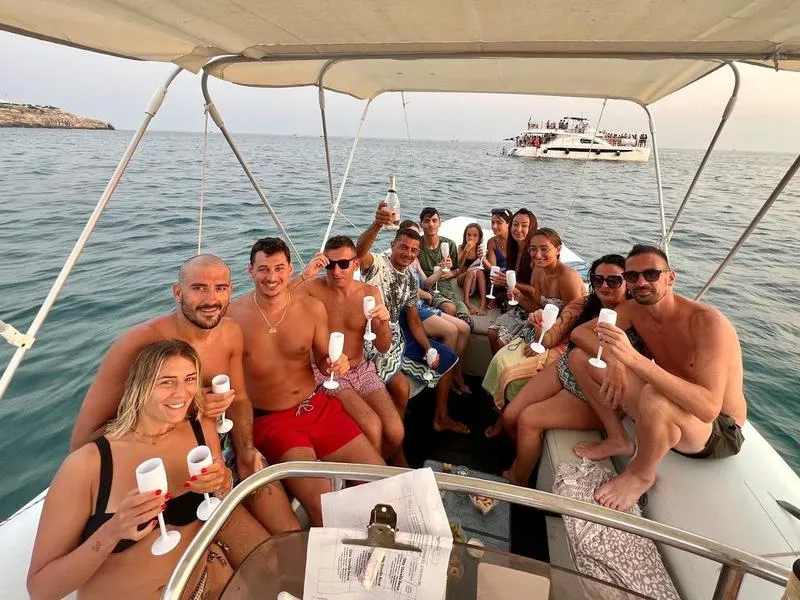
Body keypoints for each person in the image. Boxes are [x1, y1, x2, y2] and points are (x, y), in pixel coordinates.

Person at [70, 254, 299, 535]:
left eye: (220, 288)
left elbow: (238, 399)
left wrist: (245, 452)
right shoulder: (139, 343)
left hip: (216, 459)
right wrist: (189, 406)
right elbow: (85, 440)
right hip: (158, 473)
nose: (211, 300)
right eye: (199, 288)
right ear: (178, 292)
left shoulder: (230, 333)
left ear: (230, 290)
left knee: (289, 530)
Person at [28, 339, 267, 600]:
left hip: (205, 582)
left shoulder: (200, 428)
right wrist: (113, 531)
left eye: (189, 379)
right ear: (140, 386)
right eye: (166, 382)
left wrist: (221, 482)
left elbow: (220, 492)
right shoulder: (88, 465)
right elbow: (41, 590)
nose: (181, 393)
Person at [569, 244, 747, 511]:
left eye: (651, 274)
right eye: (632, 276)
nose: (641, 282)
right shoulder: (634, 310)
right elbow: (580, 334)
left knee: (654, 394)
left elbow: (708, 408)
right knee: (579, 359)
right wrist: (615, 360)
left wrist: (632, 359)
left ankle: (641, 474)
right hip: (666, 406)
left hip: (716, 429)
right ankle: (618, 438)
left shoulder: (708, 323)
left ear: (670, 277)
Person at [228, 237, 384, 525]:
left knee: (379, 478)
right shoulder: (233, 317)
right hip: (272, 420)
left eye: (279, 268)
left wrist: (336, 362)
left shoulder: (312, 308)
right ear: (250, 271)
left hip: (317, 405)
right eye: (263, 269)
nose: (271, 277)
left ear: (290, 270)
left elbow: (324, 360)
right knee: (322, 502)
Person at [500, 255, 636, 485]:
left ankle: (519, 479)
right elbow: (551, 339)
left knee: (528, 419)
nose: (604, 285)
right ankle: (524, 457)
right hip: (566, 367)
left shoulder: (636, 316)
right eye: (598, 280)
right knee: (510, 415)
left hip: (595, 389)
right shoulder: (584, 305)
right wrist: (541, 326)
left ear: (628, 282)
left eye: (613, 280)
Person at [356, 207, 469, 434]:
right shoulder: (377, 265)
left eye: (414, 250)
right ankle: (392, 436)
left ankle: (440, 417)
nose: (408, 254)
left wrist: (428, 348)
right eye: (403, 247)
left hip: (399, 335)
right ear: (393, 245)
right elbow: (359, 252)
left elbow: (414, 320)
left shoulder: (409, 277)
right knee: (400, 388)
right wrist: (377, 225)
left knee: (449, 359)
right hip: (374, 338)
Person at [299, 235, 404, 460]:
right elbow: (279, 299)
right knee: (371, 425)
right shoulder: (311, 289)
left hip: (361, 369)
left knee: (396, 431)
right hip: (327, 372)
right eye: (330, 264)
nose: (336, 271)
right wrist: (304, 275)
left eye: (343, 264)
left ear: (356, 264)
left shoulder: (369, 293)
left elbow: (383, 347)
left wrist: (382, 323)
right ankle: (373, 475)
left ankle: (378, 467)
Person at [483, 227, 585, 414]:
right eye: (533, 249)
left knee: (507, 354)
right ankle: (501, 394)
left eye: (544, 249)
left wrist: (544, 343)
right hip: (540, 321)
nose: (538, 255)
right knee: (494, 335)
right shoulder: (538, 269)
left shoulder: (568, 278)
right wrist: (520, 297)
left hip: (561, 332)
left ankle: (511, 401)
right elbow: (536, 303)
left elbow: (573, 320)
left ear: (558, 250)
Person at [487, 209, 539, 355]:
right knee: (491, 333)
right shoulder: (514, 249)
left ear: (531, 228)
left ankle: (502, 366)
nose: (518, 229)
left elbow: (535, 291)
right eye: (515, 224)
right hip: (517, 300)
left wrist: (510, 282)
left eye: (524, 225)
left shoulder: (534, 255)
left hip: (531, 306)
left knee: (501, 340)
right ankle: (496, 366)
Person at [416, 206, 472, 323]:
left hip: (446, 288)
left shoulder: (449, 244)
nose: (431, 225)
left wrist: (451, 273)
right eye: (426, 221)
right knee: (449, 308)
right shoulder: (417, 245)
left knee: (466, 320)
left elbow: (457, 270)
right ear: (421, 224)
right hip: (428, 287)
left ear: (440, 223)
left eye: (434, 221)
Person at [456, 223, 488, 316]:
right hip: (463, 279)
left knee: (480, 272)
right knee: (470, 272)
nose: (471, 238)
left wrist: (482, 257)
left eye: (475, 235)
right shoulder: (461, 247)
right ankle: (466, 301)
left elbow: (484, 268)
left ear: (479, 237)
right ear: (465, 236)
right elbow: (459, 265)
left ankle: (483, 303)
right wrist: (466, 251)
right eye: (469, 235)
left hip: (476, 280)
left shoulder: (480, 249)